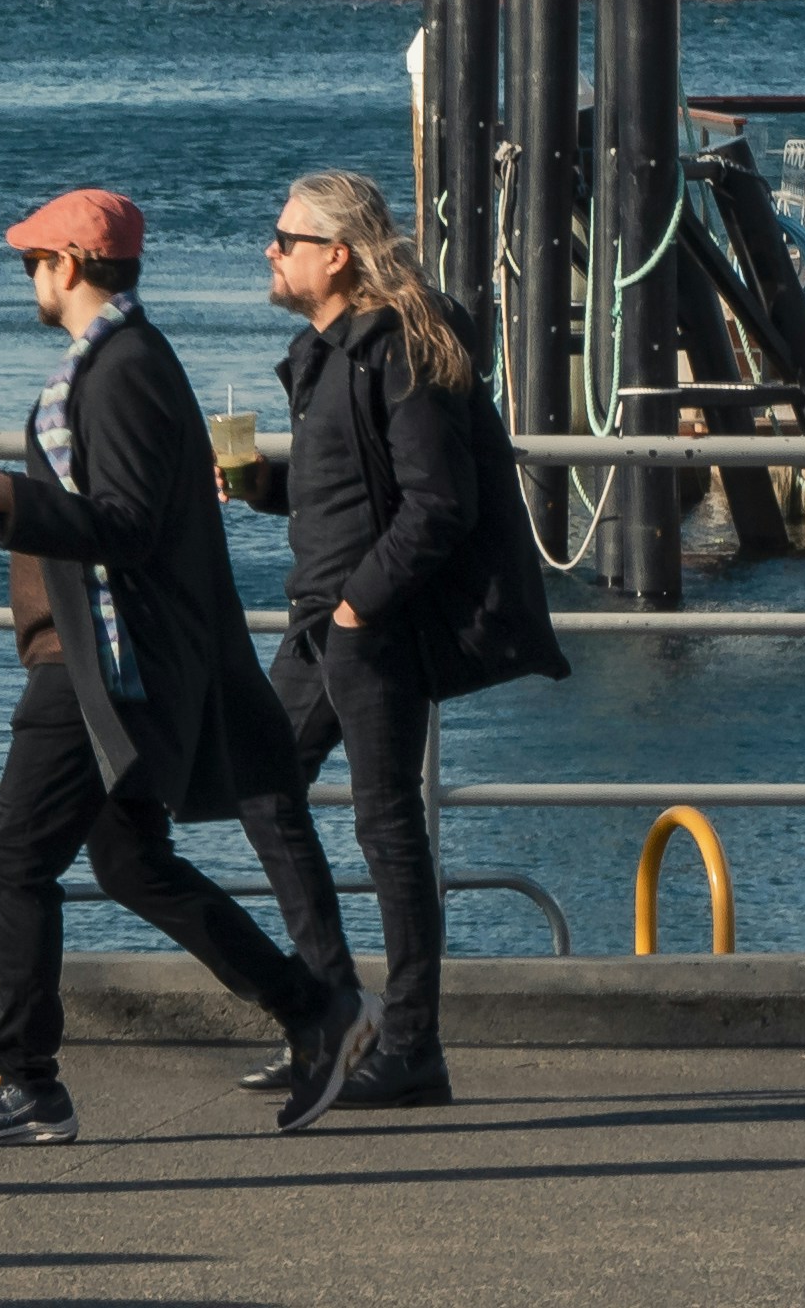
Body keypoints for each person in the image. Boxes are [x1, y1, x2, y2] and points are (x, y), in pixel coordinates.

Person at [0, 186, 371, 1151]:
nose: (29, 278)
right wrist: (7, 495)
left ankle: (25, 1079)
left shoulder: (117, 371)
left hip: (98, 669)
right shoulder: (131, 358)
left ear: (69, 265)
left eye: (34, 261)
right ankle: (312, 1008)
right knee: (128, 862)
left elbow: (123, 525)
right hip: (110, 661)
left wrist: (5, 495)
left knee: (15, 858)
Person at [223, 170, 478, 1113]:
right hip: (318, 622)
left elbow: (438, 505)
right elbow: (347, 486)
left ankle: (411, 1045)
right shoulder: (322, 352)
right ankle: (333, 1012)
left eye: (284, 238)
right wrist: (261, 488)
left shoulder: (398, 352)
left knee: (386, 825)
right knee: (257, 781)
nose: (270, 250)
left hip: (368, 626)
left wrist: (358, 609)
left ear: (336, 254)